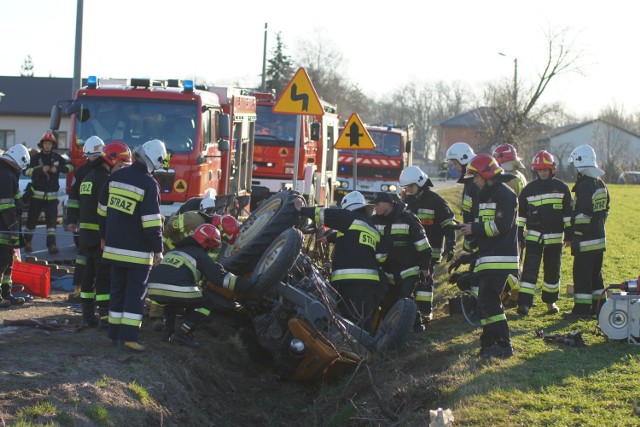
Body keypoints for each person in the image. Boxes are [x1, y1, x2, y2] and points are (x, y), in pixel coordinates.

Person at [98, 139, 167, 351]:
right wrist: (158, 249)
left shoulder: (115, 176)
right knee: (135, 296)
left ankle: (113, 335)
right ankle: (129, 339)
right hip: (138, 253)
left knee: (117, 291)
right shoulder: (149, 183)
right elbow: (151, 222)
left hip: (113, 249)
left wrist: (104, 236)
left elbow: (102, 210)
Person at [147, 223, 258, 347]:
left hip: (153, 288)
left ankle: (167, 332)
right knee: (206, 302)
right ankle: (183, 333)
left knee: (171, 300)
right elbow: (221, 278)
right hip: (174, 288)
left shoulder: (175, 250)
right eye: (213, 247)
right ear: (208, 243)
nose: (212, 250)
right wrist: (248, 284)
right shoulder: (199, 254)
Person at [294, 191, 383, 331]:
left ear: (349, 209)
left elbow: (325, 214)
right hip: (370, 281)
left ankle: (351, 348)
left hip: (351, 280)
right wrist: (330, 238)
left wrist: (301, 209)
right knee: (363, 317)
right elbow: (354, 237)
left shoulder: (349, 217)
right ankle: (366, 348)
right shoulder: (371, 228)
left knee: (348, 319)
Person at [460, 154, 519, 358]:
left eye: (476, 177)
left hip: (501, 258)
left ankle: (504, 344)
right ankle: (488, 343)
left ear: (486, 174)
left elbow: (501, 226)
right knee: (484, 302)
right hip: (488, 257)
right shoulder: (485, 194)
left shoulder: (505, 195)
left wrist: (474, 228)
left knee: (488, 301)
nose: (474, 182)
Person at [79, 141, 132, 327]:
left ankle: (87, 314)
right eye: (120, 164)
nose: (121, 169)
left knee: (89, 273)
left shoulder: (88, 178)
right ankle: (103, 316)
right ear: (110, 161)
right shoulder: (104, 180)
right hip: (99, 234)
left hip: (86, 234)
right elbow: (107, 210)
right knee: (103, 275)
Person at [515, 151, 572, 316]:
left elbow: (568, 215)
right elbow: (521, 216)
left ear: (552, 169)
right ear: (536, 171)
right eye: (539, 170)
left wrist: (569, 236)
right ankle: (524, 303)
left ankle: (550, 302)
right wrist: (519, 235)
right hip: (533, 238)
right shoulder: (528, 190)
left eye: (545, 169)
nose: (542, 173)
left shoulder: (562, 188)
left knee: (552, 271)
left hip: (555, 239)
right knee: (529, 271)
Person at [399, 166, 456, 325]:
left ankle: (425, 312)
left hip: (431, 251)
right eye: (406, 187)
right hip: (410, 251)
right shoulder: (407, 202)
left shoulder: (436, 201)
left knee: (425, 282)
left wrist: (451, 245)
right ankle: (411, 312)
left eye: (410, 186)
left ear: (420, 183)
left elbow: (448, 225)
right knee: (409, 281)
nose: (408, 190)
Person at [371, 192, 433, 332]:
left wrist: (425, 267)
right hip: (387, 270)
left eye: (378, 204)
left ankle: (416, 326)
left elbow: (423, 245)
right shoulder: (374, 220)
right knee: (388, 304)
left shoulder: (408, 218)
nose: (376, 208)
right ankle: (389, 333)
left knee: (405, 297)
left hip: (409, 268)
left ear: (389, 203)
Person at [565, 144, 610, 320]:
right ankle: (600, 307)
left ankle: (581, 310)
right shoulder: (600, 183)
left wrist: (576, 237)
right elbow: (606, 209)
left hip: (586, 240)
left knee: (582, 274)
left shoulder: (584, 186)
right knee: (595, 275)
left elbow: (583, 214)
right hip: (599, 239)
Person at [66, 136, 105, 302]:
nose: (94, 159)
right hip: (88, 223)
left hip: (99, 224)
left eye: (97, 156)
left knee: (97, 261)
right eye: (92, 156)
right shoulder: (82, 171)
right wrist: (71, 220)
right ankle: (78, 289)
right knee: (83, 258)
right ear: (87, 155)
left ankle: (93, 291)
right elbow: (74, 198)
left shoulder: (105, 171)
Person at [23, 131, 74, 254]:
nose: (47, 145)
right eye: (45, 143)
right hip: (37, 196)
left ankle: (51, 245)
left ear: (53, 145)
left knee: (52, 224)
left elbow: (71, 167)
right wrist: (40, 170)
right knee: (31, 221)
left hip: (51, 198)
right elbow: (25, 171)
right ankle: (27, 242)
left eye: (49, 143)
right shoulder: (35, 158)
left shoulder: (57, 158)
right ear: (42, 144)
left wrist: (58, 169)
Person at [0, 145, 31, 308]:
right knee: (2, 262)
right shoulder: (5, 174)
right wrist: (13, 230)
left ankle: (6, 294)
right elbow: (6, 206)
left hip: (6, 227)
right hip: (3, 227)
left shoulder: (7, 172)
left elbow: (14, 201)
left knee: (7, 262)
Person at [444, 142, 478, 254]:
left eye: (455, 163)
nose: (455, 168)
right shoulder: (469, 182)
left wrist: (473, 227)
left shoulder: (475, 184)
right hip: (474, 241)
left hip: (479, 242)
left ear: (464, 160)